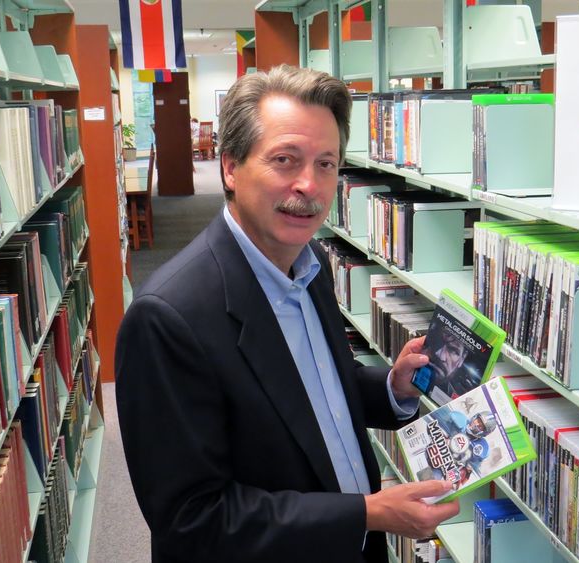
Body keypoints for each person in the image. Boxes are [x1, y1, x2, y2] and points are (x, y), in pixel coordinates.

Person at [115, 65, 460, 563]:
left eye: (326, 163)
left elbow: (310, 390)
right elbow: (191, 517)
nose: (310, 185)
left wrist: (391, 387)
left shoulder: (310, 263)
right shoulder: (166, 319)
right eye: (285, 160)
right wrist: (366, 514)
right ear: (230, 167)